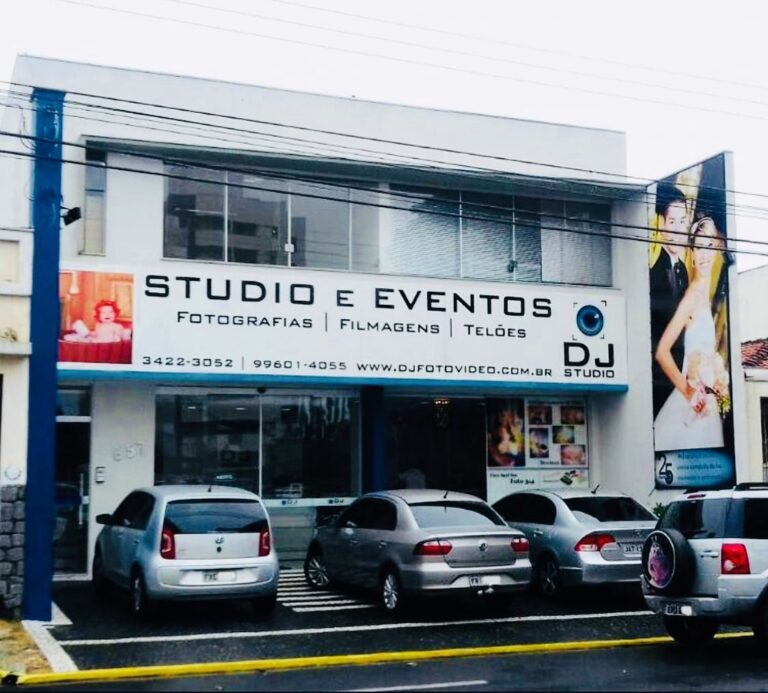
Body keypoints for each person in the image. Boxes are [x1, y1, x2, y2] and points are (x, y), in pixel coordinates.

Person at [653, 217, 728, 451]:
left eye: (709, 246)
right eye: (698, 247)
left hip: (708, 404)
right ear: (692, 253)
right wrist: (689, 393)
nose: (704, 254)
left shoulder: (707, 296)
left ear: (716, 249)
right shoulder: (691, 297)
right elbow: (662, 352)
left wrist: (718, 379)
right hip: (690, 406)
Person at [649, 183, 690, 417]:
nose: (678, 230)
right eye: (672, 222)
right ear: (661, 224)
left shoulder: (682, 270)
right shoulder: (652, 272)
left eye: (683, 222)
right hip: (659, 378)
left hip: (679, 375)